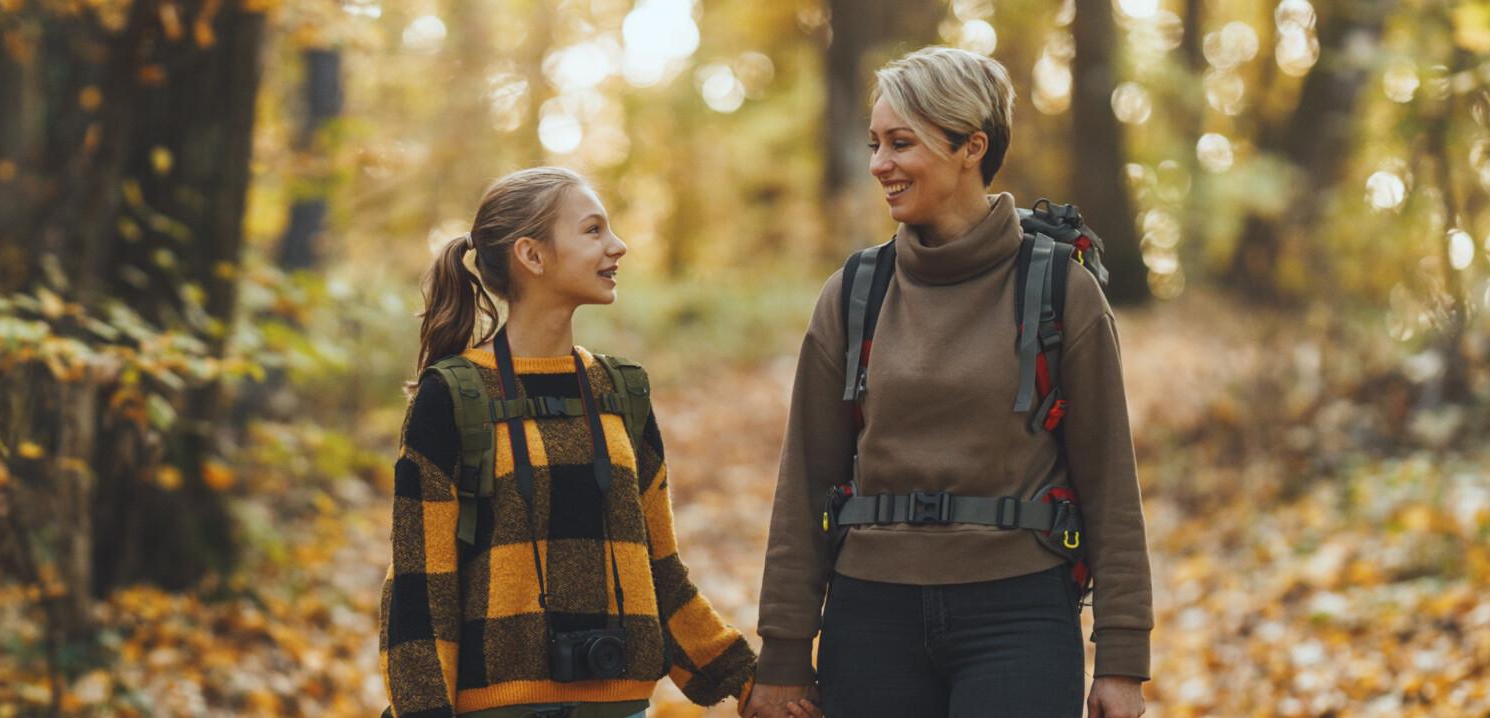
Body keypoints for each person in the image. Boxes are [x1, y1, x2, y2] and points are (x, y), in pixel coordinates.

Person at [743, 47, 1154, 718]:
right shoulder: (853, 293)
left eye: (901, 143)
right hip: (869, 618)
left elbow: (1111, 482)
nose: (880, 164)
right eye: (875, 143)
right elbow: (804, 486)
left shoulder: (1060, 290)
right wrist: (784, 652)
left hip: (1020, 618)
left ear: (972, 146)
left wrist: (1123, 655)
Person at [379, 167, 782, 718]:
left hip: (620, 707)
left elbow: (660, 568)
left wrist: (745, 680)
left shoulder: (621, 391)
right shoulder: (452, 397)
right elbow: (419, 590)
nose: (617, 246)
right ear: (533, 255)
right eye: (593, 230)